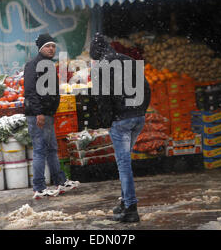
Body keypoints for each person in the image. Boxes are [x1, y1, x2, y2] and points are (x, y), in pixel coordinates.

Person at [89, 33, 151, 223]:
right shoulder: (129, 61)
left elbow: (102, 99)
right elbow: (146, 88)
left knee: (123, 165)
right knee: (125, 162)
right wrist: (141, 110)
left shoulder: (101, 68)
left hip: (121, 121)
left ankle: (131, 208)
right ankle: (125, 202)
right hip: (138, 119)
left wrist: (109, 121)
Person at [24, 33, 80, 199]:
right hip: (39, 115)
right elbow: (30, 91)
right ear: (41, 48)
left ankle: (60, 181)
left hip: (48, 114)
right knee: (40, 149)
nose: (51, 48)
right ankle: (39, 188)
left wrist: (50, 110)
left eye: (53, 46)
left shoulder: (48, 64)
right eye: (48, 46)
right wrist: (38, 112)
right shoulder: (33, 65)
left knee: (51, 149)